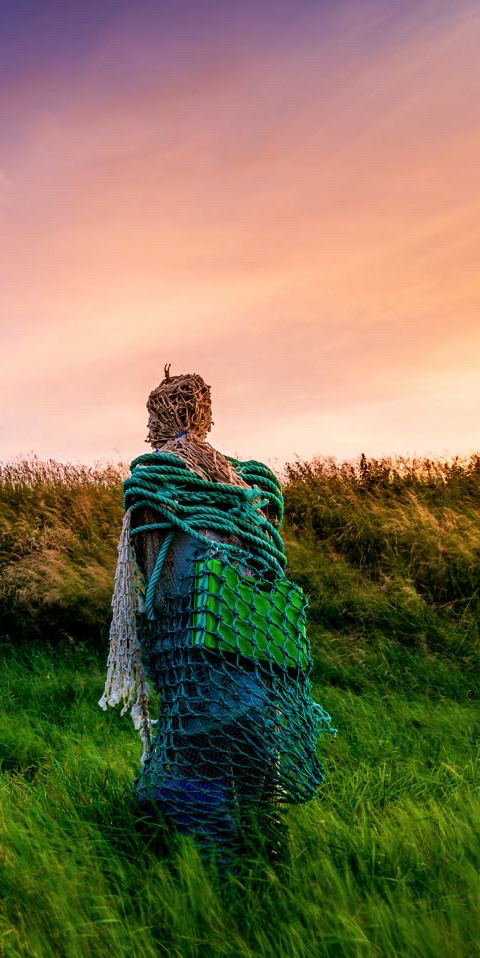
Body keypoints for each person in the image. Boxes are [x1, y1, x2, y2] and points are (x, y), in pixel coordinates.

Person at [99, 367, 331, 865]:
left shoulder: (160, 474)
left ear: (157, 415)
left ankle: (211, 850)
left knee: (203, 728)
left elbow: (153, 571)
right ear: (204, 411)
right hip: (256, 634)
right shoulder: (242, 481)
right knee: (248, 733)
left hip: (194, 633)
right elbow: (265, 554)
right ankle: (252, 839)